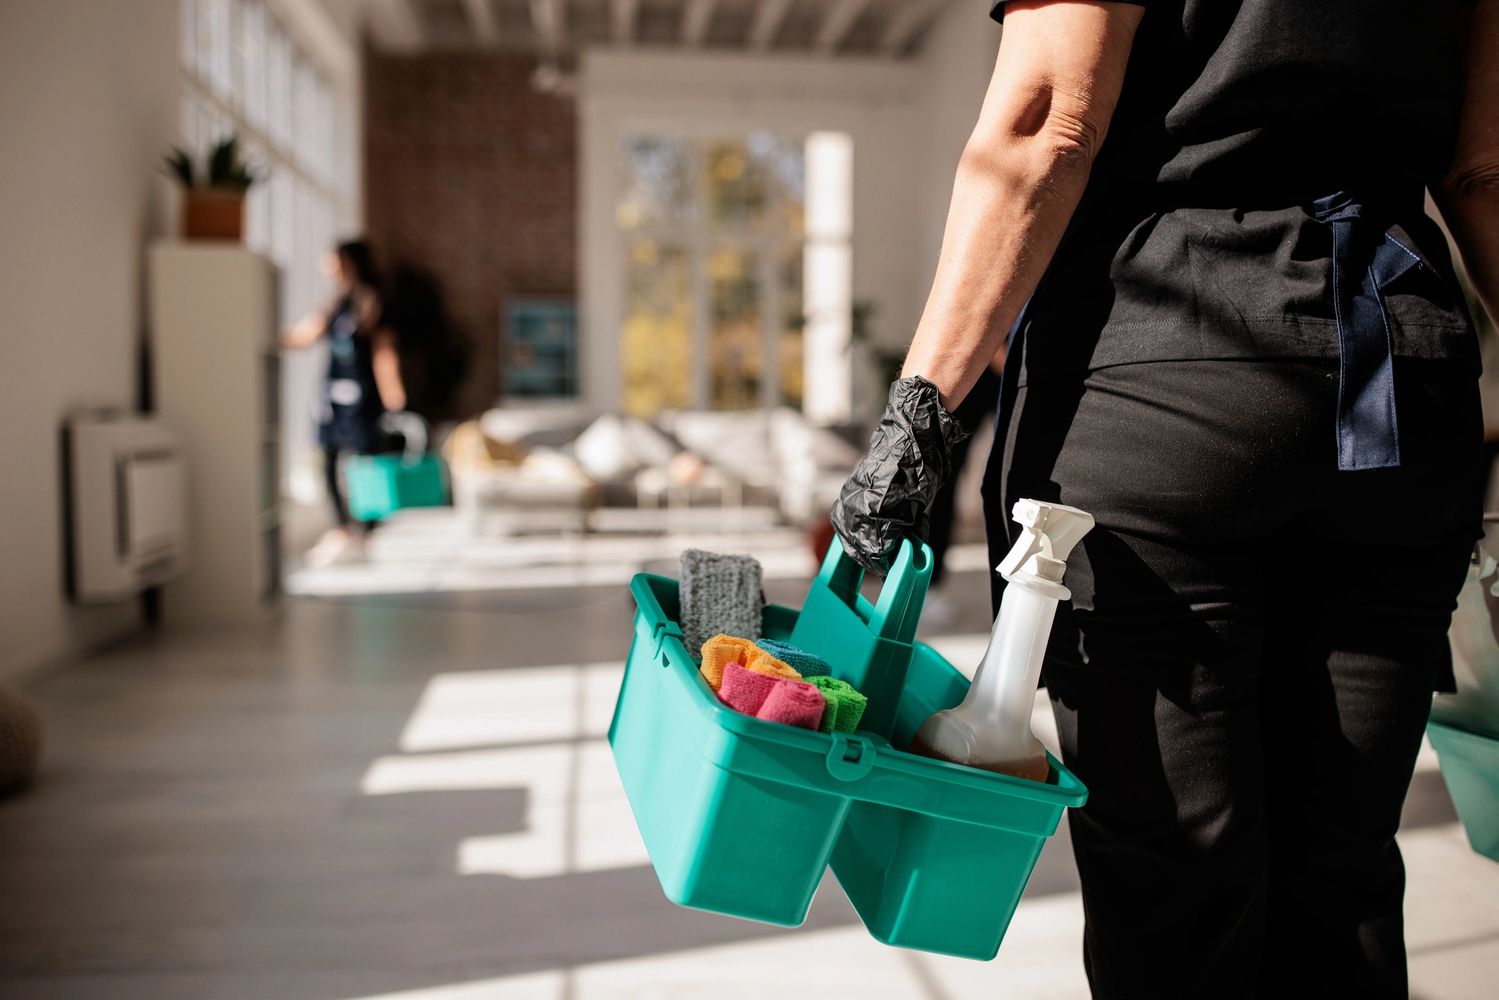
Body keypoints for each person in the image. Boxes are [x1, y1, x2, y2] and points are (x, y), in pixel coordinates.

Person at [830, 1, 1498, 995]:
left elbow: (1047, 125)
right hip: (1395, 384)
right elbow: (1481, 173)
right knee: (1342, 867)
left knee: (1176, 886)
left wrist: (919, 403)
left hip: (1157, 376)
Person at [283, 240, 406, 568]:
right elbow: (306, 334)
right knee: (328, 462)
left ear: (348, 261)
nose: (326, 263)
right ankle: (341, 529)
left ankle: (365, 534)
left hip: (364, 398)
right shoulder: (335, 304)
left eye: (333, 258)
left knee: (366, 465)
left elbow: (384, 350)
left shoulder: (374, 301)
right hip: (333, 399)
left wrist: (393, 391)